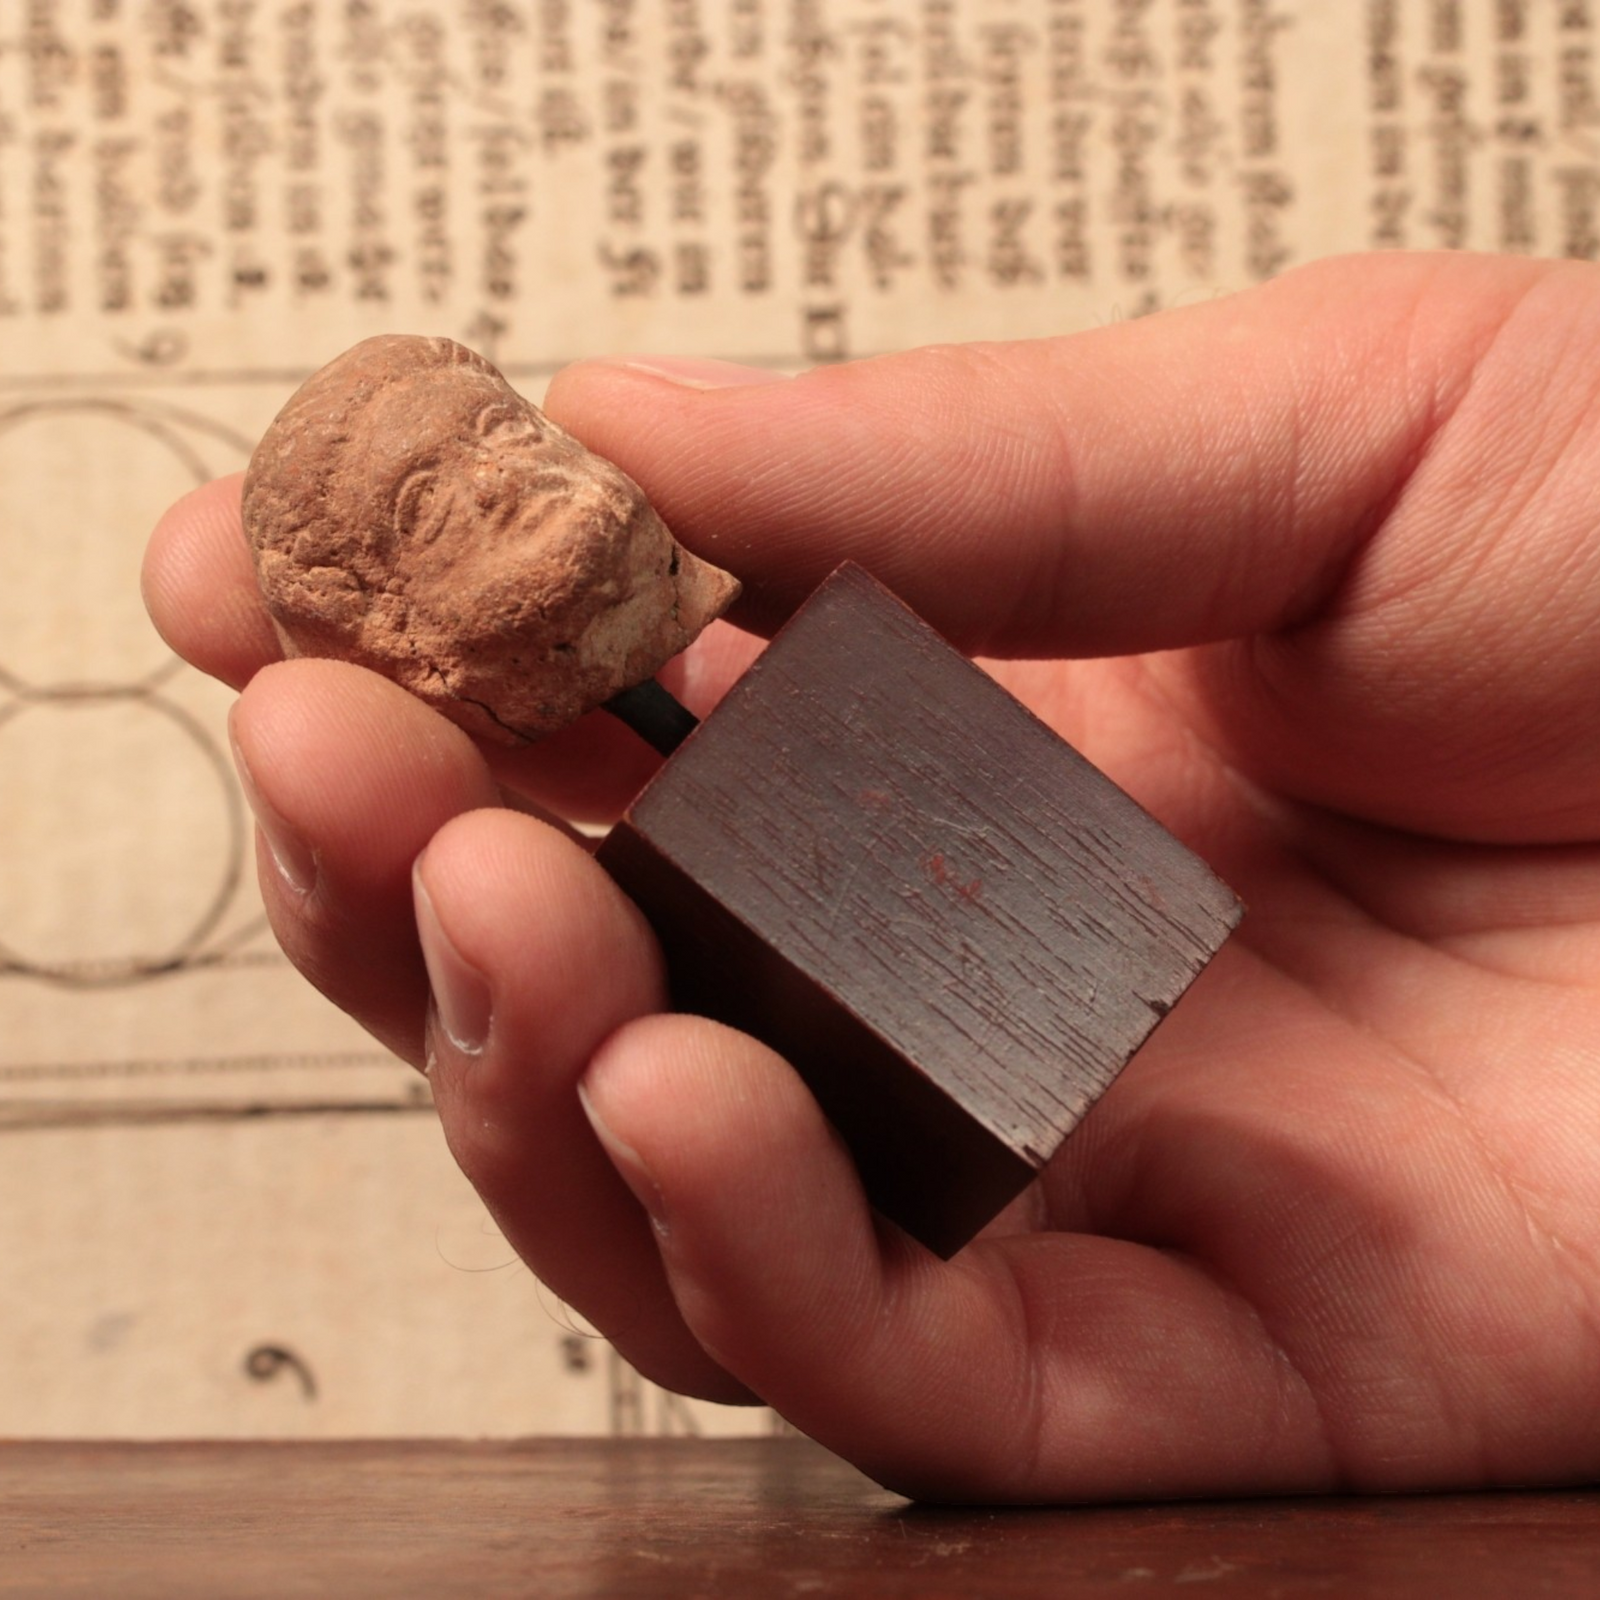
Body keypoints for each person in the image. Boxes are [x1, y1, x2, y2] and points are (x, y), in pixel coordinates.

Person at [143, 252, 1600, 1502]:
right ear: (376, 629)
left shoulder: (825, 668)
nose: (514, 484)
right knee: (667, 1050)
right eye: (429, 506)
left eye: (498, 429)